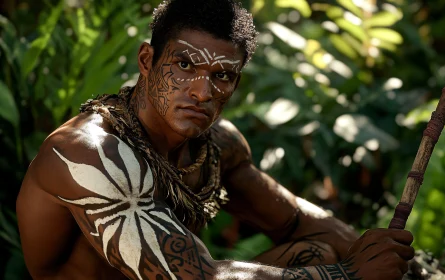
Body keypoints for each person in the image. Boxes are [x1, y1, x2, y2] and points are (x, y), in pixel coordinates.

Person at [16, 0, 415, 279]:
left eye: (222, 75)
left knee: (315, 252)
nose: (202, 92)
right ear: (146, 60)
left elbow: (299, 223)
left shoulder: (214, 146)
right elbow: (198, 277)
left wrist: (406, 266)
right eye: (185, 65)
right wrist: (348, 276)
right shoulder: (89, 154)